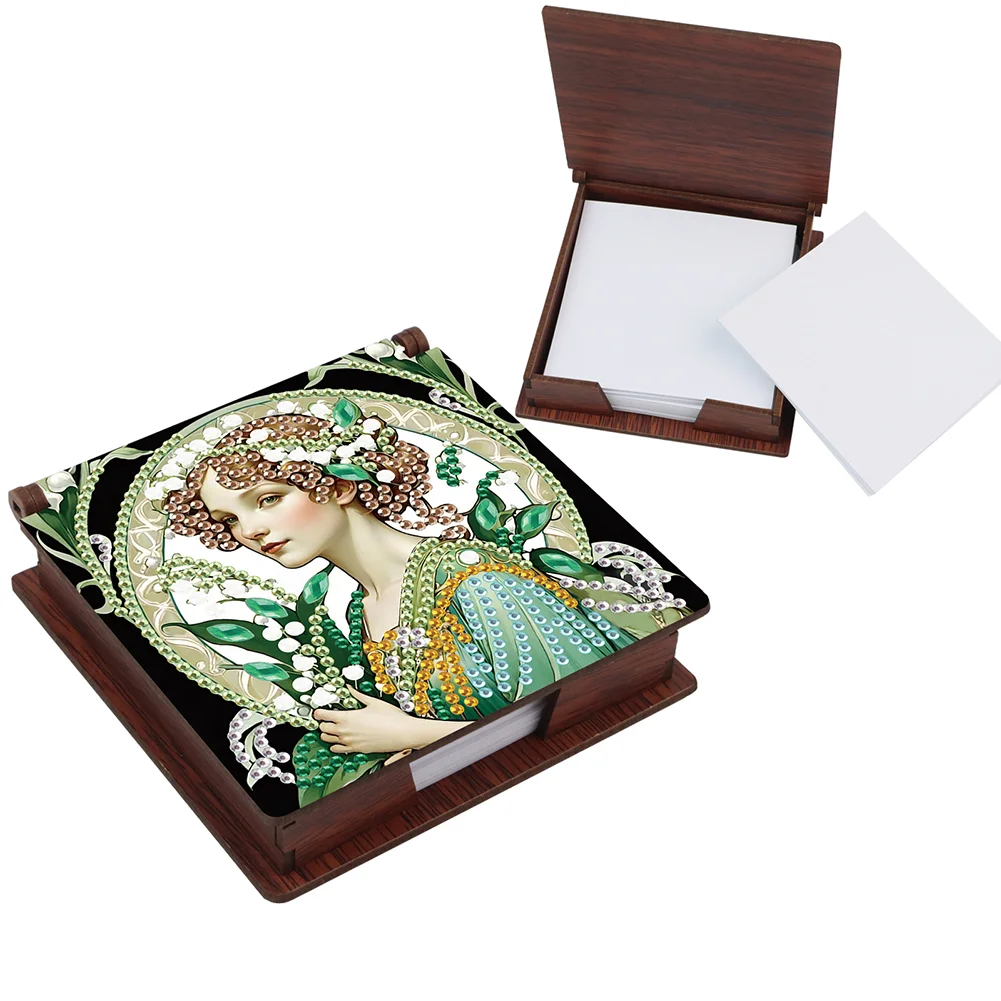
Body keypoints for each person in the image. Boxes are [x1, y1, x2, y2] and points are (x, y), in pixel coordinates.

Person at [155, 401, 681, 802]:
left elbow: (586, 707)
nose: (249, 530)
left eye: (268, 499)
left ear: (338, 485)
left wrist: (412, 734)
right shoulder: (364, 606)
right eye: (229, 520)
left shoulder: (479, 580)